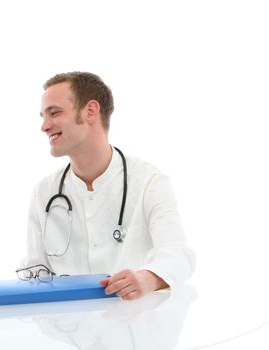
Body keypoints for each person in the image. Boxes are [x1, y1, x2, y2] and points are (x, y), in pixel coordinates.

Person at [22, 72, 195, 300]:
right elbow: (34, 272)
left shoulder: (149, 182)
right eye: (43, 116)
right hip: (70, 332)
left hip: (134, 326)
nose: (44, 126)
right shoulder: (44, 193)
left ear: (91, 111)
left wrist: (148, 277)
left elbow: (178, 254)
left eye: (54, 113)